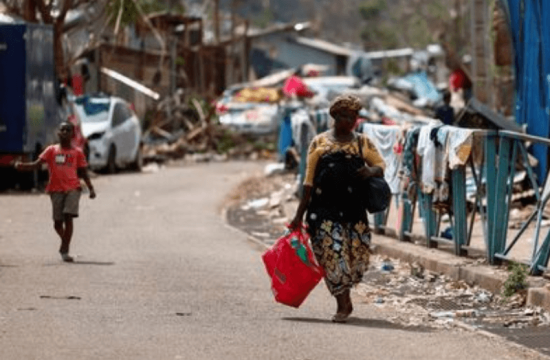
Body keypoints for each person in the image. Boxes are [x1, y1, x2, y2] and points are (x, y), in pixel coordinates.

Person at [289, 94, 386, 323]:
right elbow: (308, 182)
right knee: (333, 254)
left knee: (354, 258)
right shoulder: (319, 143)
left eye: (354, 117)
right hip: (324, 210)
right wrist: (298, 215)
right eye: (345, 117)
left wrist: (370, 171)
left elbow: (380, 165)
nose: (350, 122)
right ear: (335, 117)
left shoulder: (363, 142)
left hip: (354, 210)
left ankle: (346, 298)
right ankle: (342, 304)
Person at [14, 121, 96, 262]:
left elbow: (83, 172)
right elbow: (36, 165)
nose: (64, 132)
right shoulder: (51, 150)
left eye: (67, 130)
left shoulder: (77, 153)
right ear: (58, 133)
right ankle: (65, 241)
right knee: (57, 223)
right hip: (55, 189)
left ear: (72, 134)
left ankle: (65, 248)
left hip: (73, 189)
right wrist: (22, 166)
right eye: (62, 130)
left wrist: (91, 188)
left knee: (68, 216)